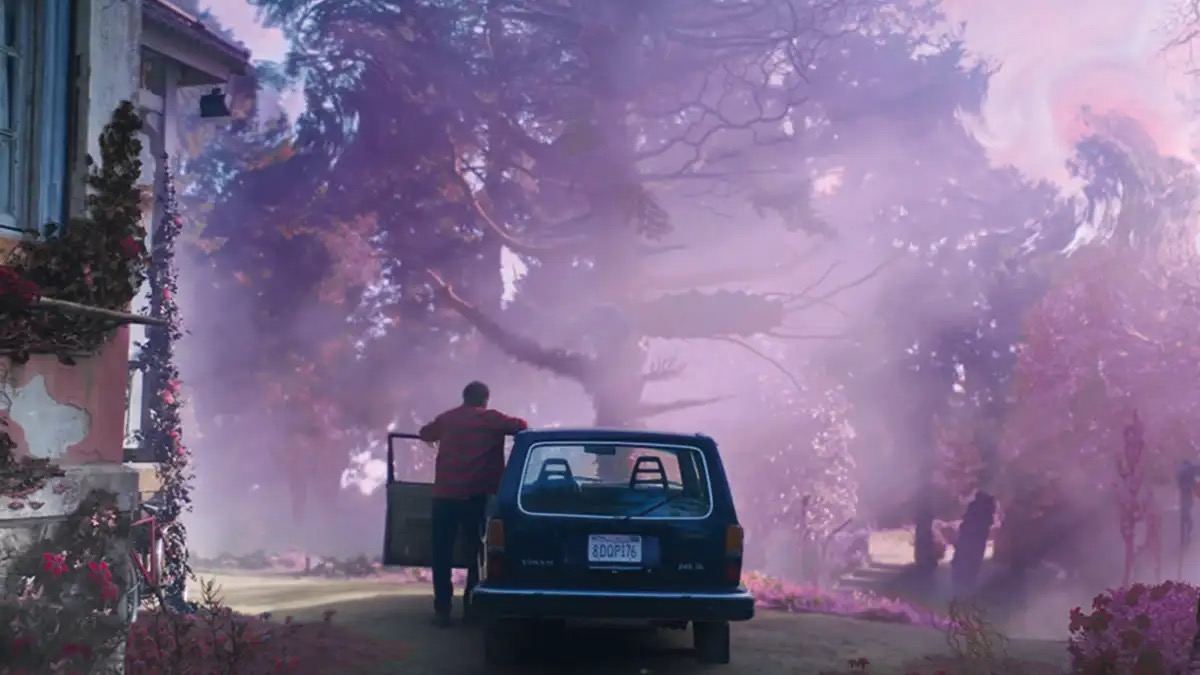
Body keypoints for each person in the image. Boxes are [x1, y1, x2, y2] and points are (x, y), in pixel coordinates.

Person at [418, 381, 528, 627]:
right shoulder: (491, 419)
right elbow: (521, 426)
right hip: (474, 496)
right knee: (476, 554)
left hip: (445, 496)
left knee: (441, 554)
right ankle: (471, 608)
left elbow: (425, 433)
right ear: (485, 399)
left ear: (464, 397)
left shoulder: (448, 419)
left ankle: (443, 610)